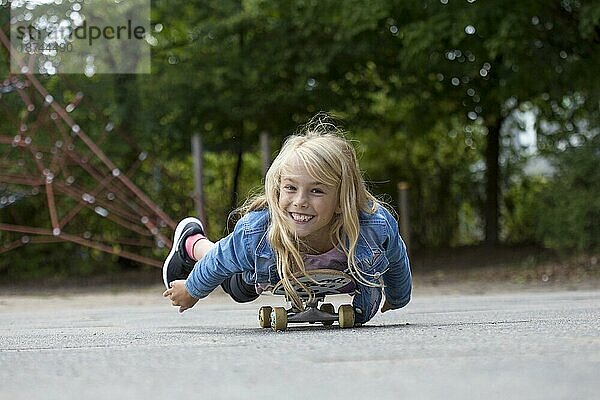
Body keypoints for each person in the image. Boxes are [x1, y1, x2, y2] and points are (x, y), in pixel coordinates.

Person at [162, 113, 412, 325]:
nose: (300, 201)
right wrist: (192, 290)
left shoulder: (373, 227)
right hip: (259, 271)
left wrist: (397, 296)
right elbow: (220, 260)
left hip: (316, 277)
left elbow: (396, 257)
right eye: (291, 188)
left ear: (342, 199)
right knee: (239, 286)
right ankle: (192, 243)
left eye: (316, 190)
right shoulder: (257, 233)